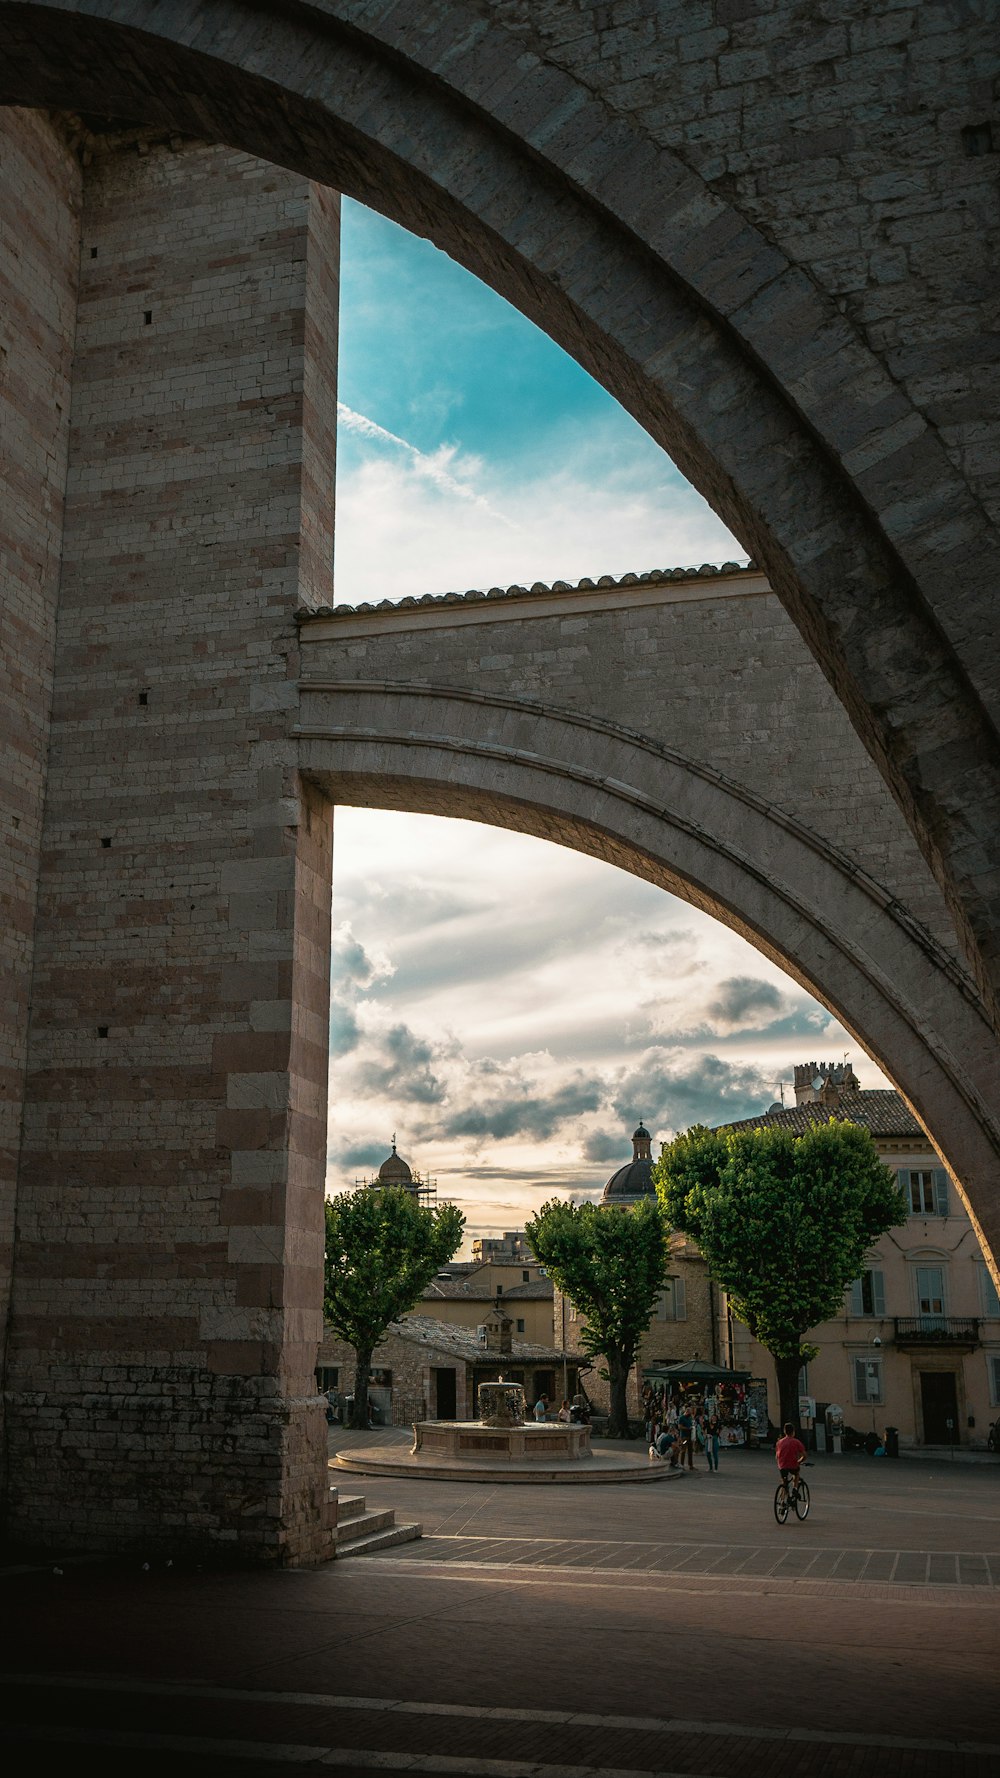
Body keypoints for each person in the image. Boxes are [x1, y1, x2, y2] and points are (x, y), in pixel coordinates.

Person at [775, 1421, 807, 1488]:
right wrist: (799, 1461)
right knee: (796, 1474)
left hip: (782, 1466)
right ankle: (795, 1489)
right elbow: (804, 1455)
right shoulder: (796, 1442)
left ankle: (784, 1490)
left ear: (784, 1431)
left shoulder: (779, 1442)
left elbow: (777, 1456)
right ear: (793, 1432)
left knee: (784, 1479)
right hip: (793, 1465)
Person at [677, 1402, 695, 1470]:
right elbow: (679, 1427)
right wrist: (687, 1428)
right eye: (689, 1412)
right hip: (684, 1437)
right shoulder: (682, 1418)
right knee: (683, 1450)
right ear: (686, 1411)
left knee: (690, 1451)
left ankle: (691, 1465)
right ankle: (682, 1465)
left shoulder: (690, 1418)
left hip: (690, 1436)